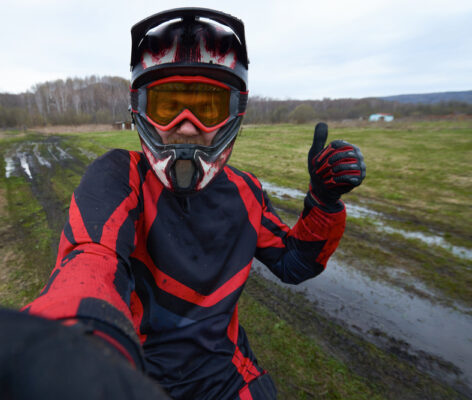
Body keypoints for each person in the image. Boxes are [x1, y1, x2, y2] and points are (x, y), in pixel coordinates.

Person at [23, 7, 366, 400]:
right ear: (141, 109)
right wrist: (74, 344)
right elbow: (89, 261)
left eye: (206, 107)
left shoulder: (246, 191)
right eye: (169, 106)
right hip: (135, 375)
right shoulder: (120, 177)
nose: (187, 125)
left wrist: (323, 203)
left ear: (235, 112)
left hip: (226, 379)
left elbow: (295, 264)